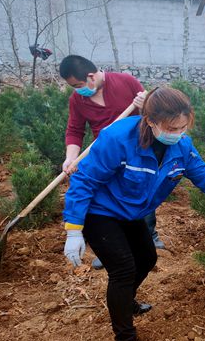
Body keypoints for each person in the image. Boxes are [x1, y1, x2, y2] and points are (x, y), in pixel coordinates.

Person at [62, 87, 205, 341]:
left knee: (147, 257)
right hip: (100, 211)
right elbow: (84, 181)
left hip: (130, 213)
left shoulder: (181, 146)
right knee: (123, 269)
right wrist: (74, 229)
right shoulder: (118, 139)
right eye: (172, 127)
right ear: (150, 121)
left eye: (183, 127)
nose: (178, 133)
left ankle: (125, 302)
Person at [59, 55, 164, 270]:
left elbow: (154, 116)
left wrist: (145, 105)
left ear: (90, 76)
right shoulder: (77, 99)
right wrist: (71, 157)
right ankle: (112, 250)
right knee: (107, 199)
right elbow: (75, 130)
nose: (77, 90)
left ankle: (149, 237)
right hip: (105, 154)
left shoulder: (126, 82)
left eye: (78, 85)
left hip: (136, 150)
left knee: (139, 193)